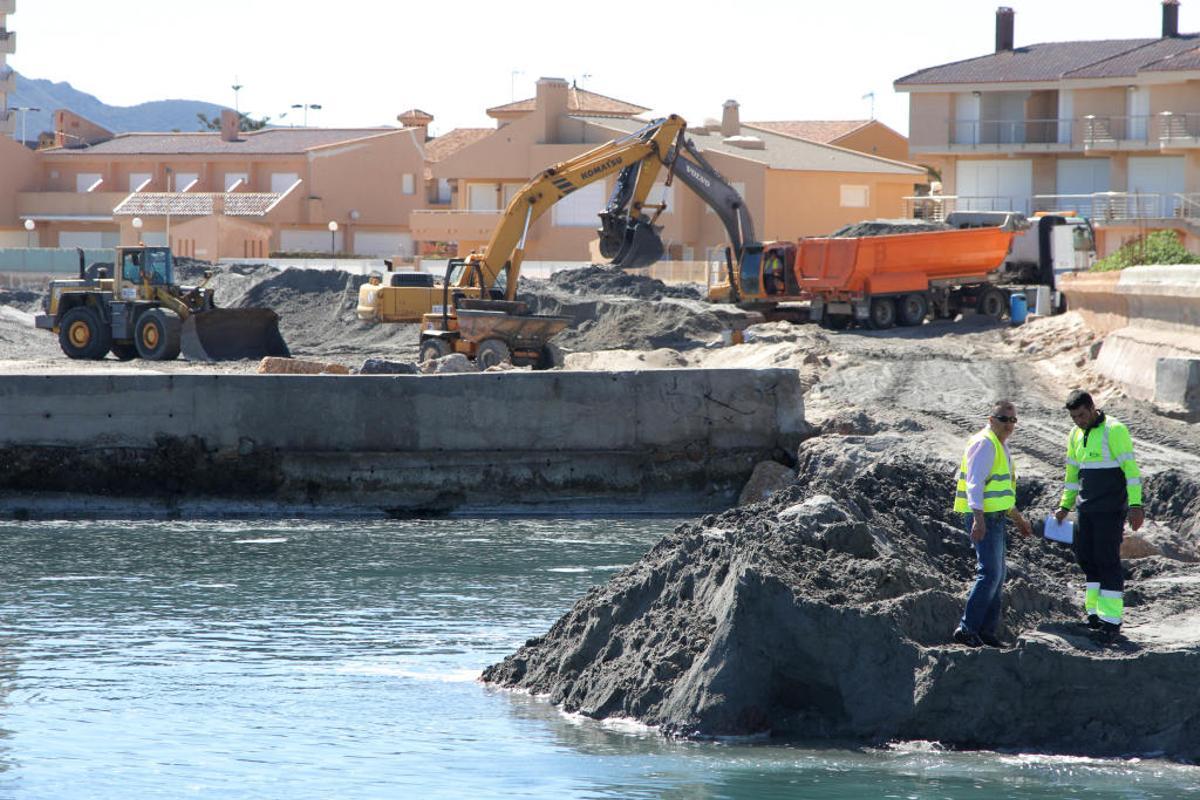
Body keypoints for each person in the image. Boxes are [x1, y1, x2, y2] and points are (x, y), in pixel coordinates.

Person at [1054, 390, 1144, 644]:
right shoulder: (1074, 434)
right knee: (1087, 559)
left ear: (1093, 408)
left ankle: (1111, 621)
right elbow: (1072, 476)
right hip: (1086, 510)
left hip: (1110, 510)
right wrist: (1064, 506)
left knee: (1107, 561)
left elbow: (1131, 470)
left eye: (1082, 415)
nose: (1079, 421)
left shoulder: (1114, 430)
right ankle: (1093, 614)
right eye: (1074, 417)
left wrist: (1136, 505)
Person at [952, 400, 1033, 647]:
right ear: (991, 419)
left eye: (1013, 420)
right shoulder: (985, 444)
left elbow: (1002, 491)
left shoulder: (1000, 445)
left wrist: (1018, 519)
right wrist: (978, 519)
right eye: (1003, 419)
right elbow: (975, 485)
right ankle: (967, 629)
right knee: (989, 573)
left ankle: (986, 631)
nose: (1009, 424)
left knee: (998, 575)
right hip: (984, 518)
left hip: (996, 518)